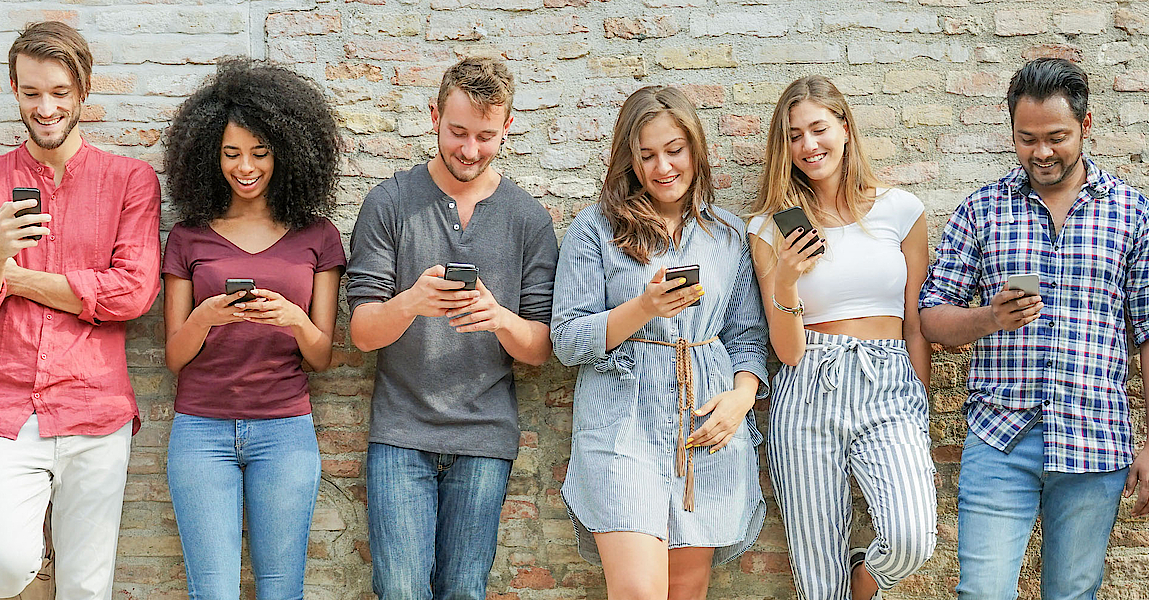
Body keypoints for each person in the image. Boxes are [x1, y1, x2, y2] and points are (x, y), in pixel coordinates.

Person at [918, 58, 1149, 600]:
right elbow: (932, 317)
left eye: (1056, 137)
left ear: (1085, 125)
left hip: (1094, 437)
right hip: (999, 439)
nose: (1041, 152)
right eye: (1026, 138)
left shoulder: (1133, 213)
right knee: (983, 592)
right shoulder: (981, 211)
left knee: (1073, 593)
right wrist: (989, 318)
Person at [0, 22, 161, 600]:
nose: (47, 107)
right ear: (14, 89)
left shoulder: (130, 180)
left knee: (88, 587)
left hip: (95, 403)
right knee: (3, 566)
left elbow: (133, 294)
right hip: (7, 404)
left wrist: (19, 280)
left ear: (83, 91)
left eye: (60, 92)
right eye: (33, 92)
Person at [344, 56, 558, 600]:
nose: (469, 150)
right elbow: (363, 332)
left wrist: (498, 317)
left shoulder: (529, 219)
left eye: (486, 137)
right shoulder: (389, 203)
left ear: (508, 127)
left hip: (484, 434)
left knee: (464, 591)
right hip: (401, 431)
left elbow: (538, 348)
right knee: (400, 590)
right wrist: (412, 301)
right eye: (458, 132)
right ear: (434, 115)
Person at [551, 85, 770, 600]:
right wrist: (643, 308)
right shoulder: (594, 230)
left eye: (674, 150)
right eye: (646, 155)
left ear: (695, 148)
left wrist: (741, 399)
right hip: (623, 428)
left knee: (685, 593)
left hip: (703, 427)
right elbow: (566, 338)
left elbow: (748, 335)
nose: (663, 167)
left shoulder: (728, 235)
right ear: (628, 158)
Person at [159, 57, 345, 600]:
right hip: (201, 431)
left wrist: (293, 319)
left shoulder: (318, 236)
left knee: (282, 589)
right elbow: (174, 356)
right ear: (208, 156)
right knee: (212, 590)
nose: (246, 167)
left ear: (286, 153)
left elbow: (322, 356)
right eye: (231, 153)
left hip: (284, 431)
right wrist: (204, 316)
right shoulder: (189, 237)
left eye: (260, 153)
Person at [746, 75, 935, 600]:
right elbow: (786, 351)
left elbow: (915, 320)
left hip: (889, 381)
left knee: (911, 537)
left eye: (818, 129)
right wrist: (784, 277)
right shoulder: (769, 228)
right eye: (793, 136)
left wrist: (916, 393)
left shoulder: (902, 211)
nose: (808, 145)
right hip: (809, 383)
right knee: (816, 578)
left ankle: (864, 578)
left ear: (845, 129)